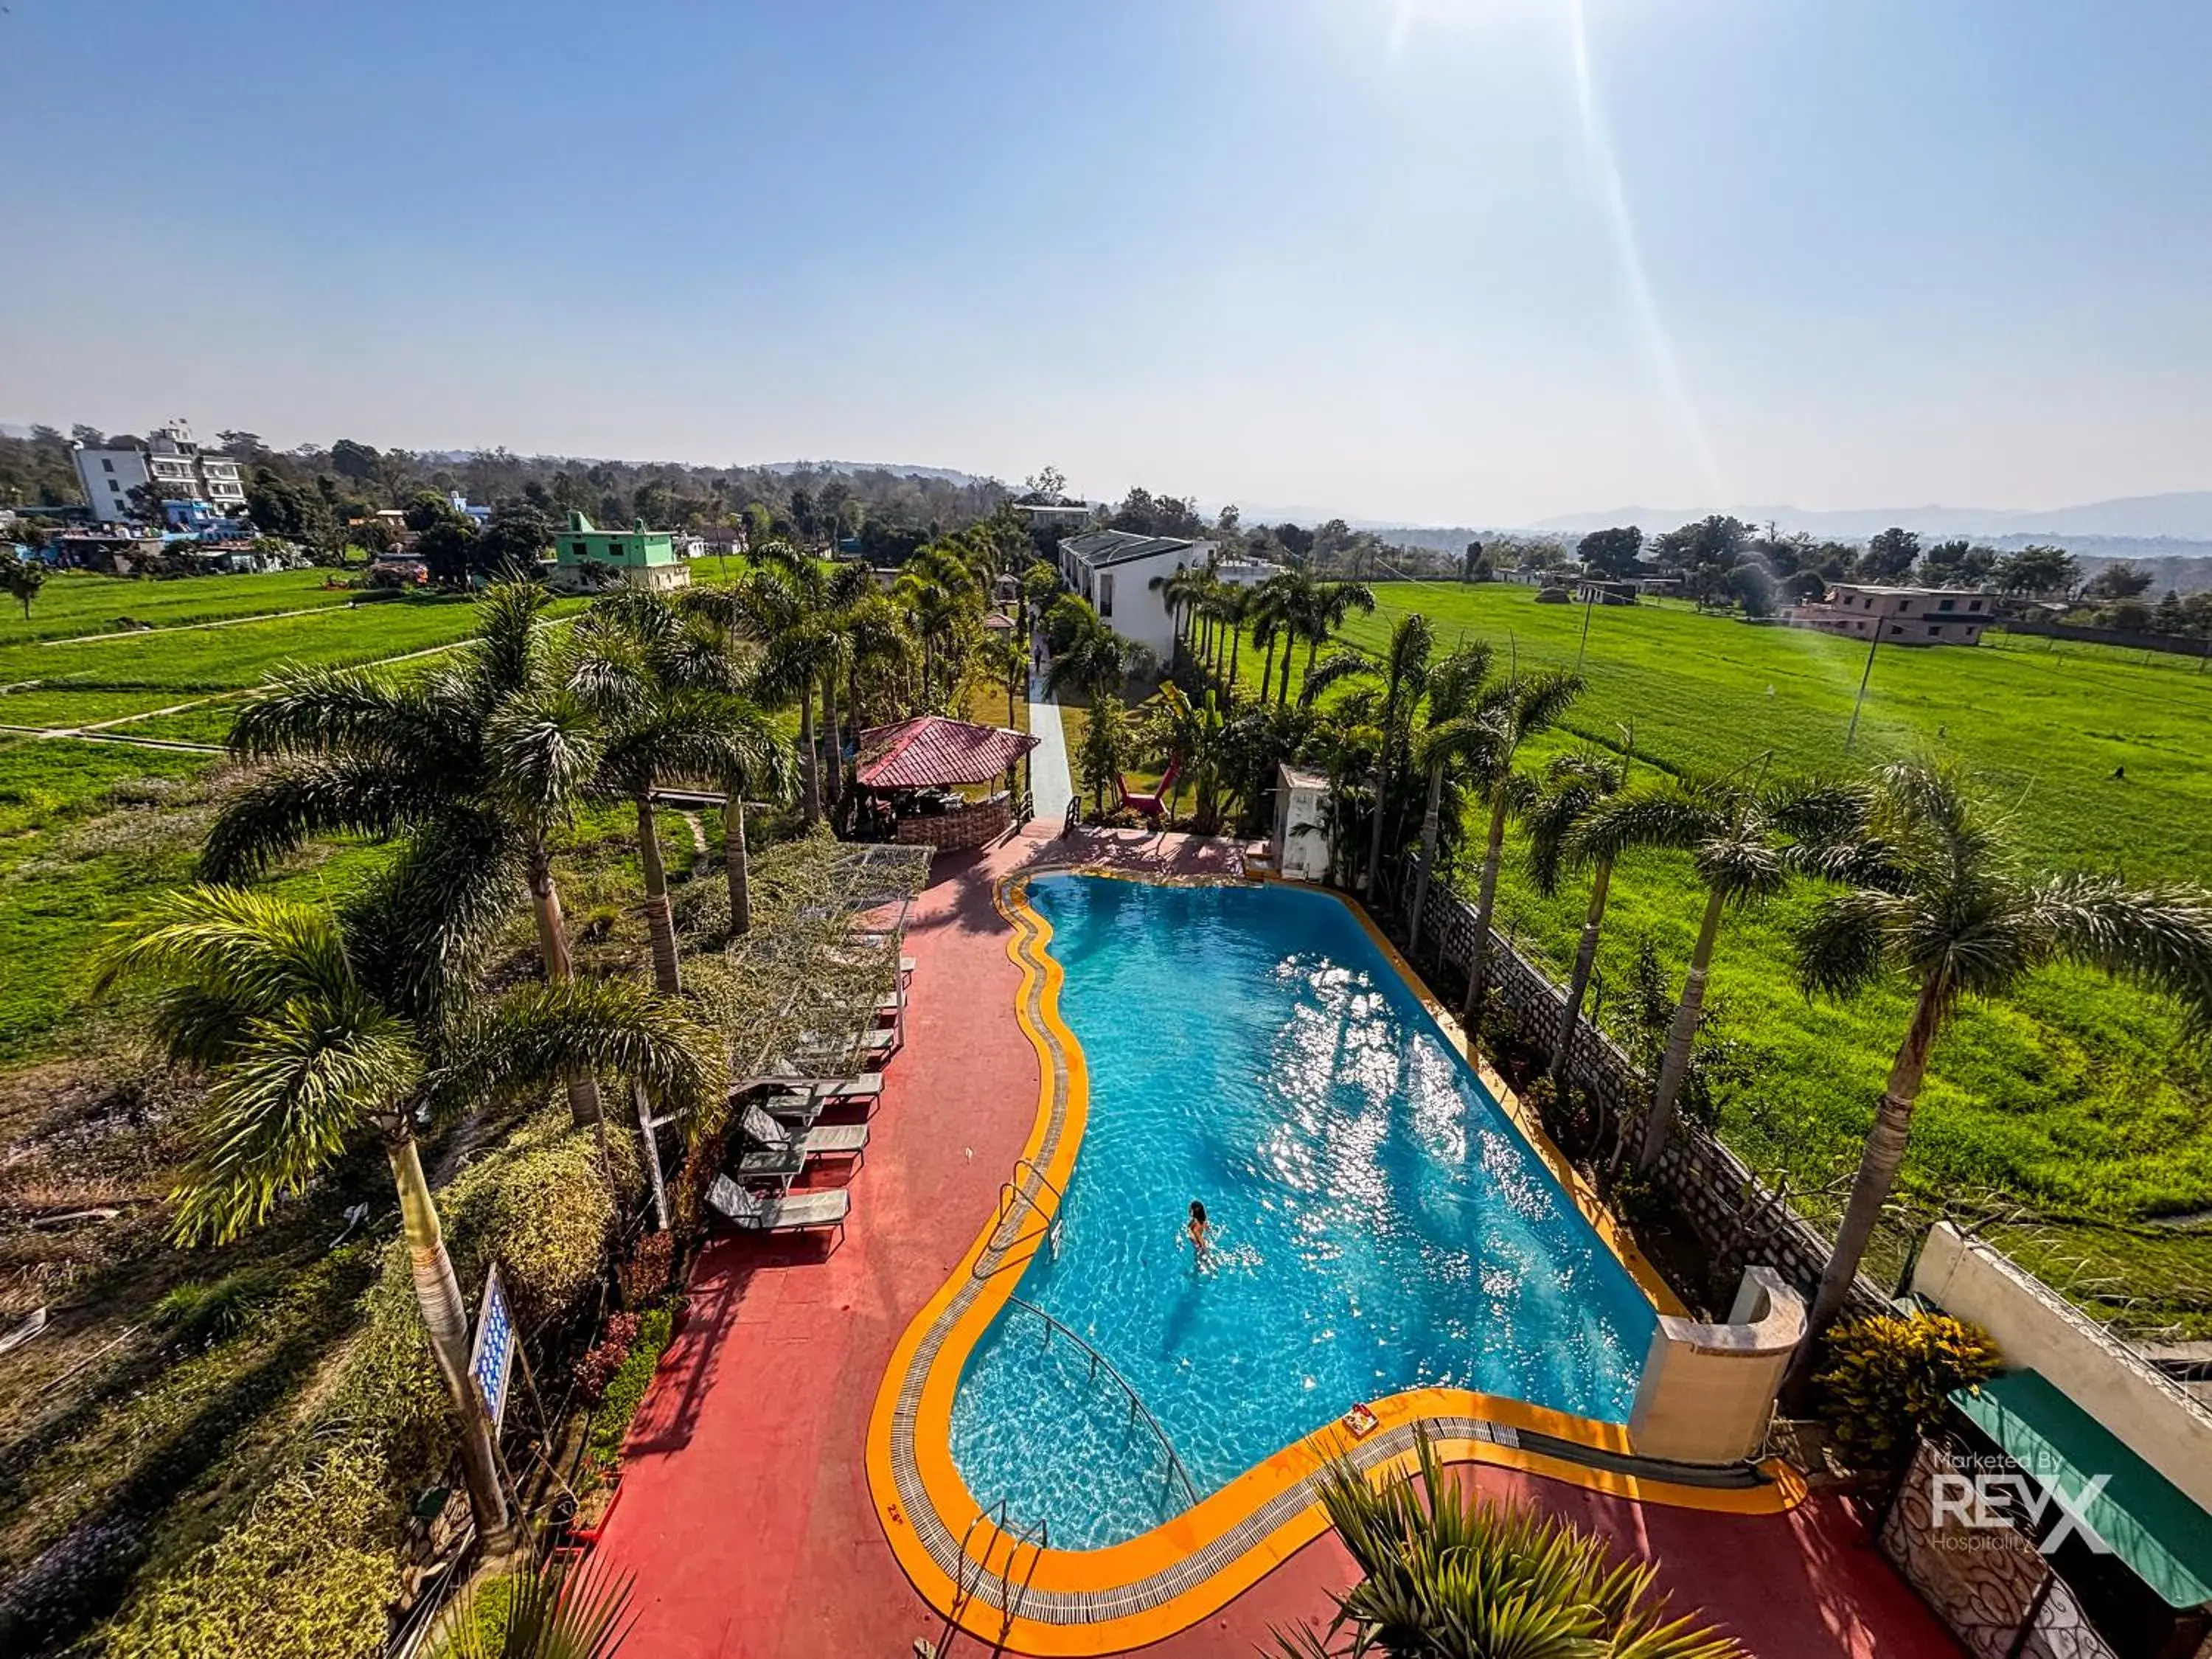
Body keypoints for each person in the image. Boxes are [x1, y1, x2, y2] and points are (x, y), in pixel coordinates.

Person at [1186, 1200, 1211, 1265]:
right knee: (1207, 1260)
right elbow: (1208, 1229)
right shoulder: (1204, 1220)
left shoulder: (1194, 1223)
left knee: (1198, 1263)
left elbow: (1196, 1234)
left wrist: (1201, 1246)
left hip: (1199, 1245)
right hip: (1203, 1241)